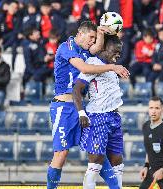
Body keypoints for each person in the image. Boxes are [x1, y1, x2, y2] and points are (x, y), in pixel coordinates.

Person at [47, 21, 129, 189]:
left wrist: (100, 32)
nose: (92, 41)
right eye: (90, 37)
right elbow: (84, 68)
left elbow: (98, 47)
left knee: (97, 153)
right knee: (61, 154)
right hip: (63, 107)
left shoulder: (84, 50)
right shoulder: (66, 47)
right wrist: (112, 67)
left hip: (79, 108)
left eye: (94, 38)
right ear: (80, 33)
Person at [73, 35, 124, 189]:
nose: (117, 55)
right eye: (115, 51)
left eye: (119, 53)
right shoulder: (93, 64)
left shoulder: (111, 66)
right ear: (103, 48)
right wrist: (81, 113)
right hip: (98, 117)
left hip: (114, 117)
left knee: (118, 161)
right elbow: (77, 89)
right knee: (96, 162)